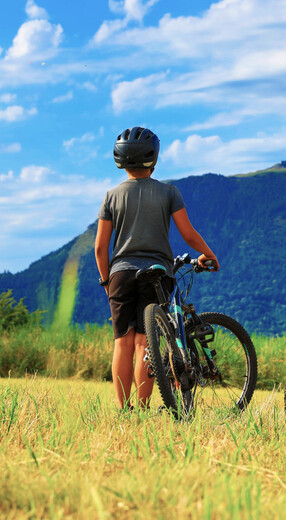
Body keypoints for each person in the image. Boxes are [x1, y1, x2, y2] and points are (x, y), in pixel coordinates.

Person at [95, 126, 219, 410]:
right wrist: (208, 254)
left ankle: (123, 409)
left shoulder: (111, 196)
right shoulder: (168, 192)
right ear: (154, 158)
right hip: (157, 273)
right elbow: (188, 234)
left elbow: (101, 247)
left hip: (120, 274)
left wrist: (106, 281)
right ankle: (142, 408)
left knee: (122, 343)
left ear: (121, 160)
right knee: (144, 344)